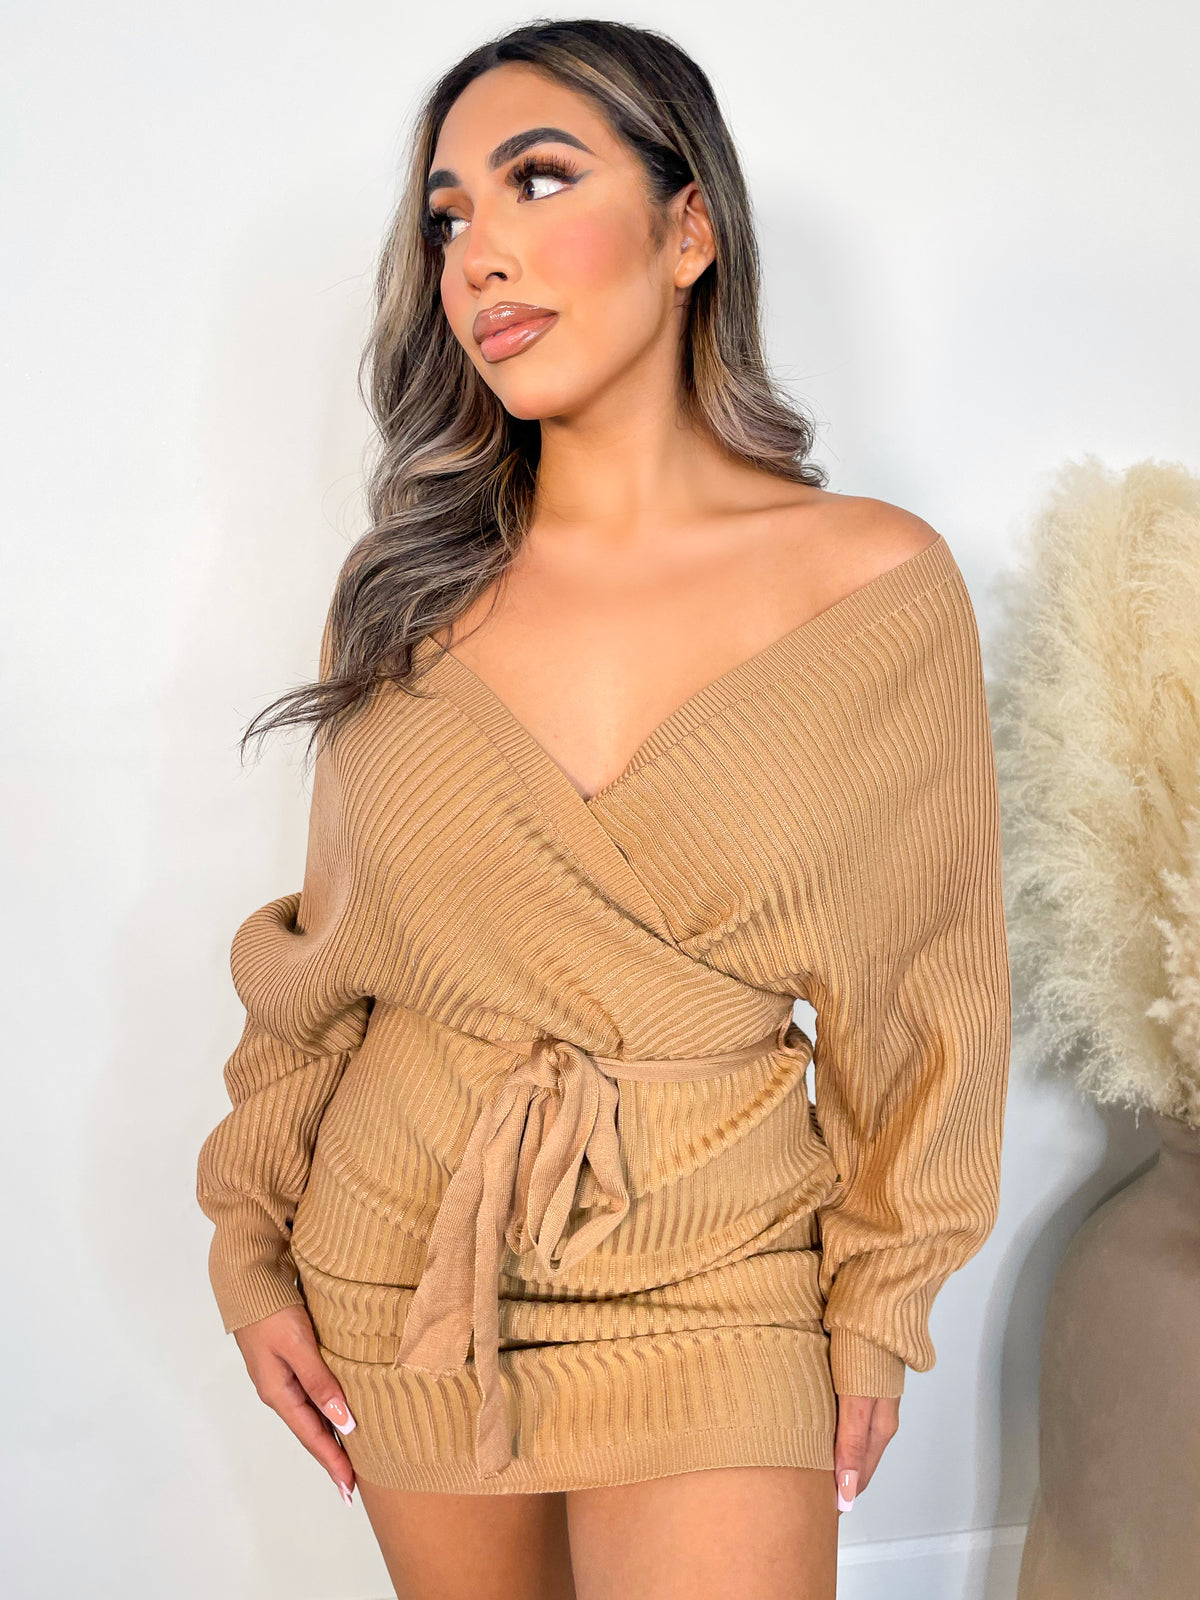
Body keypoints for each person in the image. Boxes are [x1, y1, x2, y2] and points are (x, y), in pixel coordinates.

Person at [195, 19, 1011, 1600]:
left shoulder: (874, 584)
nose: (478, 255)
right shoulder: (407, 595)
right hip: (407, 1250)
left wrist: (879, 1304)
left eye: (538, 180)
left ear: (689, 228)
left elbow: (927, 993)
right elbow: (323, 967)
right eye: (447, 218)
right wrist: (251, 1246)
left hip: (718, 1255)